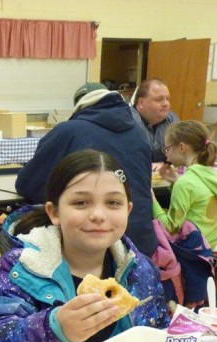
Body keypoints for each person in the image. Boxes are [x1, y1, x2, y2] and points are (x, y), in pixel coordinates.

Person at [0, 149, 170, 342]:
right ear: (54, 212)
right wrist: (55, 330)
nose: (98, 215)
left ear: (128, 210)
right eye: (81, 203)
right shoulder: (21, 268)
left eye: (113, 203)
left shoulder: (141, 270)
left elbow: (158, 335)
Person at [15, 82, 158, 258]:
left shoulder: (68, 131)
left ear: (80, 105)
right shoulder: (138, 132)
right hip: (141, 242)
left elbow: (29, 184)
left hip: (90, 245)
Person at [154, 120, 217, 250]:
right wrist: (174, 181)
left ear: (182, 147)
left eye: (167, 148)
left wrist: (150, 198)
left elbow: (170, 228)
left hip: (190, 253)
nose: (166, 153)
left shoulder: (186, 183)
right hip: (210, 248)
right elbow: (200, 200)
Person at [131, 78, 180, 163]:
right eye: (159, 99)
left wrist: (166, 164)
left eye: (167, 99)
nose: (166, 104)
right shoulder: (129, 120)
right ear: (141, 103)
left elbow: (181, 151)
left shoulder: (172, 119)